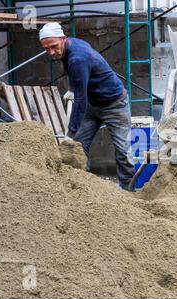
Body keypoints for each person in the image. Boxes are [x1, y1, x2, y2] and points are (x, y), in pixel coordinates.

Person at [39, 22, 135, 191]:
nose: (51, 52)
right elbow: (69, 69)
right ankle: (82, 186)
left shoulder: (78, 58)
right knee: (79, 146)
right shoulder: (70, 46)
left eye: (53, 46)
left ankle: (128, 190)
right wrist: (70, 89)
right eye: (46, 49)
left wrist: (69, 133)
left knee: (122, 151)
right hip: (93, 104)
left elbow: (80, 101)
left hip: (114, 105)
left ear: (63, 39)